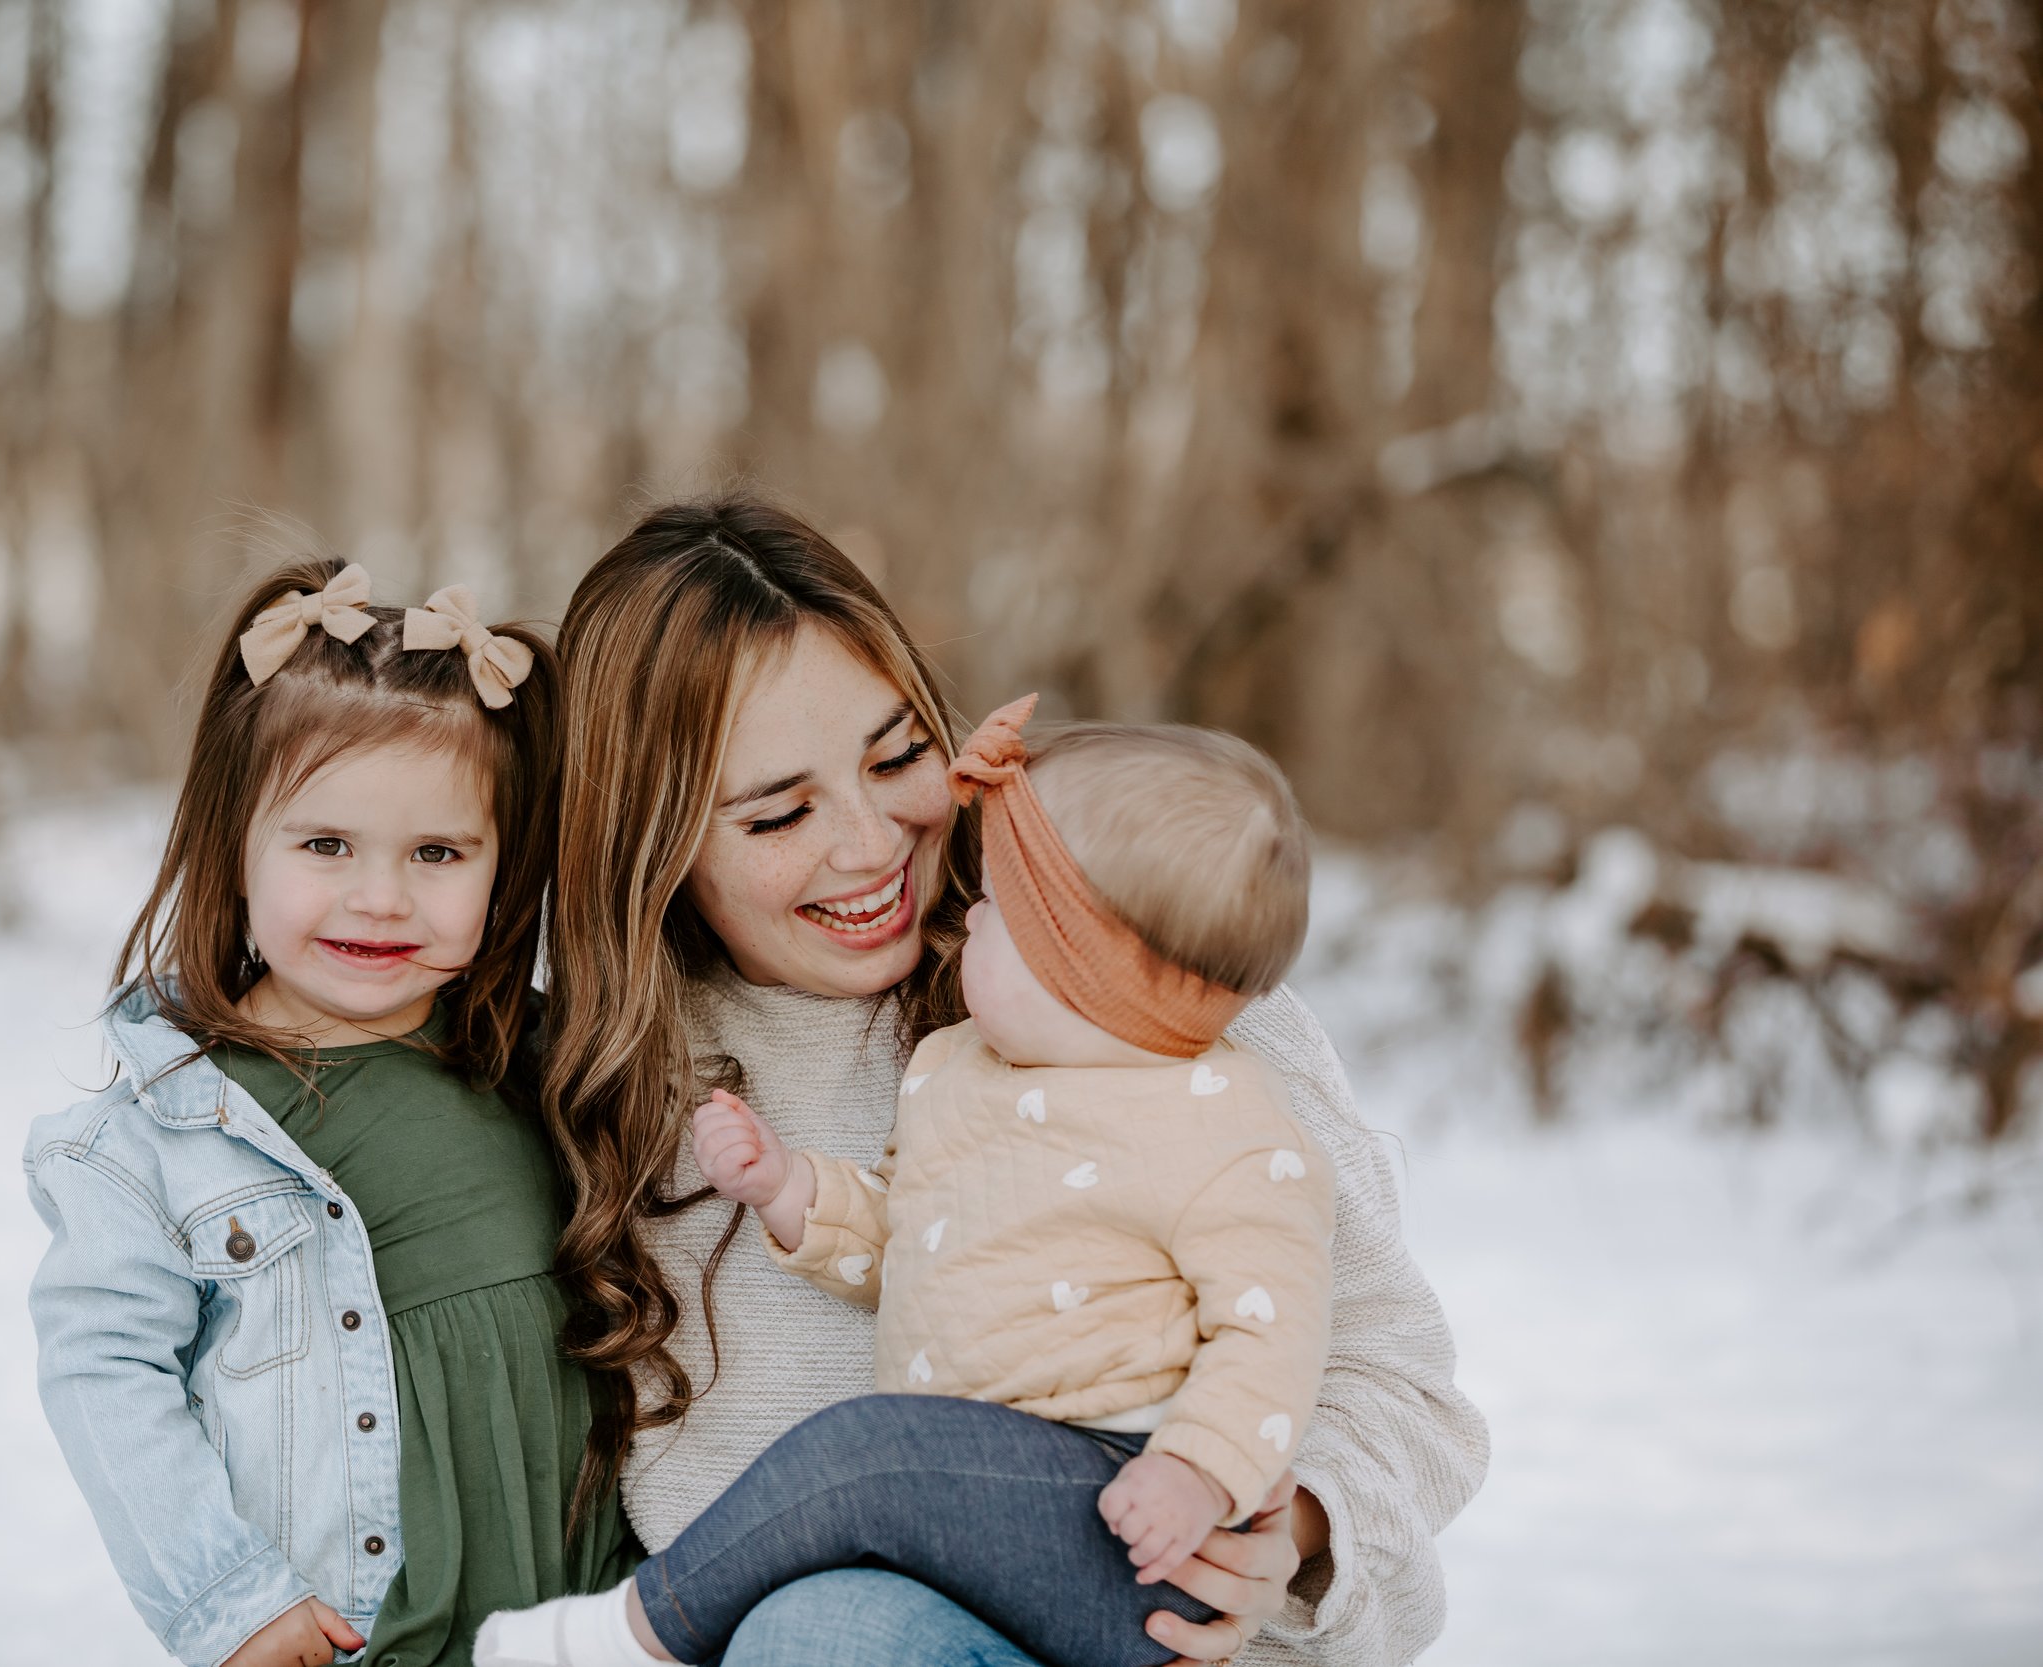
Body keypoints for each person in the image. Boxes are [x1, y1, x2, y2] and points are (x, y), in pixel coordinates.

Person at [539, 496, 1490, 1667]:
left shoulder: (1148, 993)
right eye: (780, 812)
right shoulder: (616, 1094)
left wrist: (1289, 1525)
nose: (871, 843)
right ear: (651, 843)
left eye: (898, 757)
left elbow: (1400, 1384)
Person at [480, 698, 1335, 1667]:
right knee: (824, 1611)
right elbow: (913, 1241)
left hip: (1132, 1509)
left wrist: (1201, 1472)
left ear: (1091, 974)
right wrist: (789, 1188)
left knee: (862, 1452)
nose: (969, 912)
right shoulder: (959, 1069)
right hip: (965, 1519)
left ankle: (639, 1631)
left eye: (1001, 910)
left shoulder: (1219, 1120)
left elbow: (1275, 1332)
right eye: (776, 812)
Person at [23, 560, 633, 1667]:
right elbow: (104, 1376)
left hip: (583, 1619)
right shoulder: (157, 1140)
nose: (382, 897)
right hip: (354, 1630)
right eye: (325, 845)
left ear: (502, 866)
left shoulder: (545, 1066)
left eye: (438, 853)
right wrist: (228, 1599)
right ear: (234, 844)